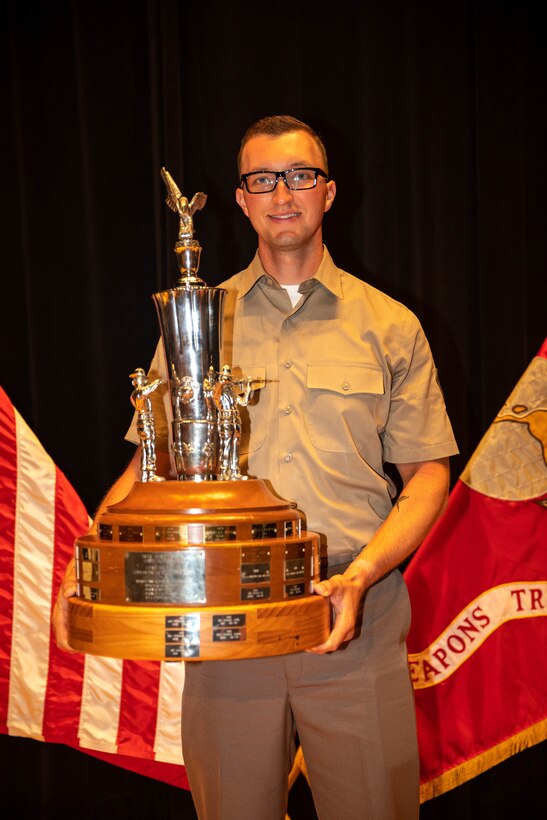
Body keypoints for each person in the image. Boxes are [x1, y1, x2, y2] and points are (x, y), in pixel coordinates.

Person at [54, 115, 458, 819]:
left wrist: (360, 578)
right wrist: (82, 558)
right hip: (226, 618)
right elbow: (151, 465)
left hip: (354, 618)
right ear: (240, 200)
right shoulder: (199, 325)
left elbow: (427, 474)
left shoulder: (390, 324)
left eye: (300, 175)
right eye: (262, 178)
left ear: (328, 192)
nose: (282, 193)